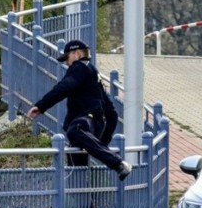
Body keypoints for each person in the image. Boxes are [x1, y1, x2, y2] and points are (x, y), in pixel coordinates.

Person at [26, 39, 132, 181]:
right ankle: (87, 203)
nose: (66, 63)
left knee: (75, 130)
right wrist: (101, 143)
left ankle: (118, 163)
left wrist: (41, 106)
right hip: (94, 125)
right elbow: (111, 112)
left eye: (67, 58)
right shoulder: (93, 72)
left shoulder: (80, 67)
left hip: (88, 120)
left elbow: (64, 86)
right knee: (77, 176)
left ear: (76, 54)